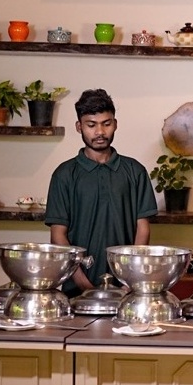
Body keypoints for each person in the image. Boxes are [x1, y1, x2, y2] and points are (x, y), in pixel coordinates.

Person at [44, 89, 157, 296]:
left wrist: (131, 280)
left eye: (106, 123)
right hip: (76, 291)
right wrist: (85, 287)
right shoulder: (64, 174)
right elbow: (58, 235)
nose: (100, 132)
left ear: (115, 124)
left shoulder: (135, 171)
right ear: (79, 127)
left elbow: (143, 230)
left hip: (127, 289)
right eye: (91, 125)